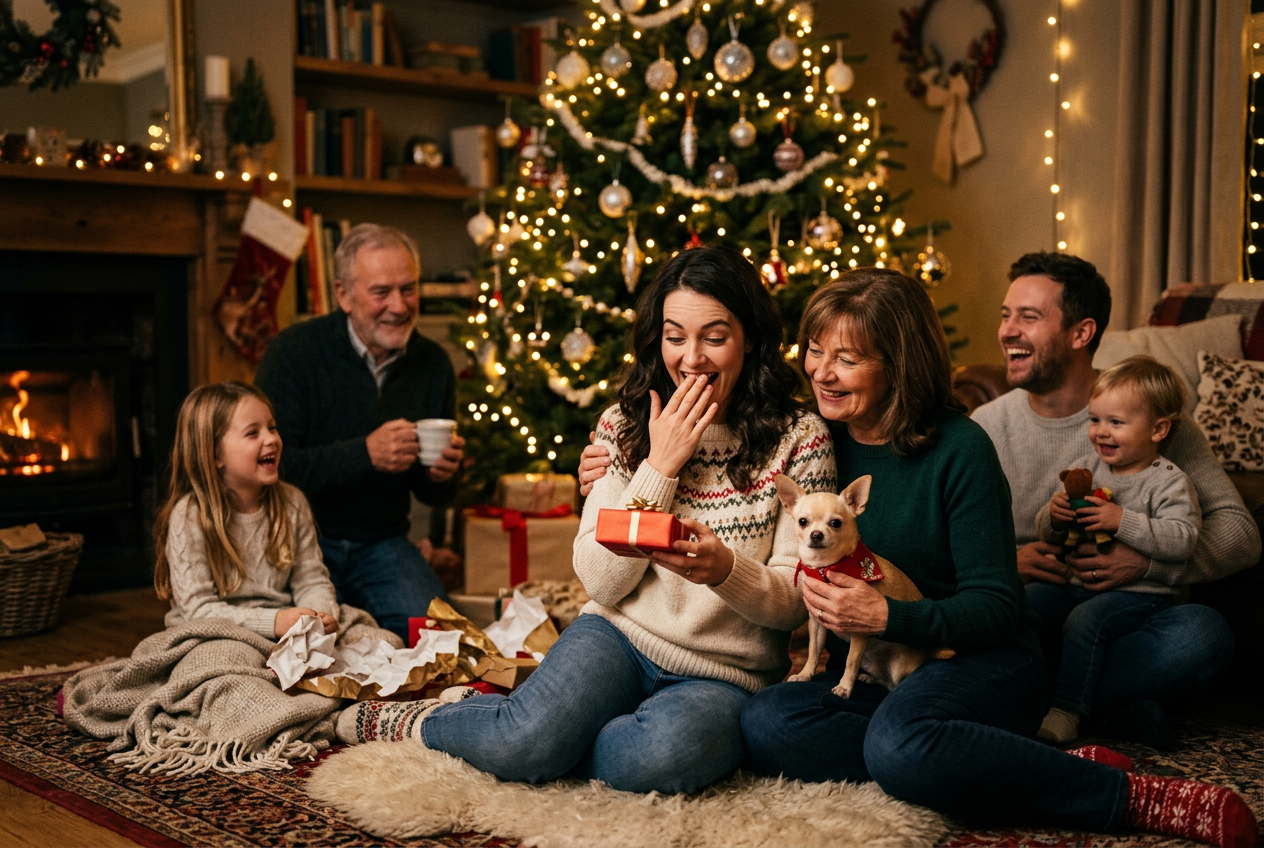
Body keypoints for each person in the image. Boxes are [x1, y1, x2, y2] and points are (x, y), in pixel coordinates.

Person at [734, 268, 1256, 847]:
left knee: (900, 745)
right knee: (769, 723)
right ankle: (1005, 754)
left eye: (848, 359)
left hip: (978, 653)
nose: (821, 373)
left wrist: (888, 617)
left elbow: (996, 607)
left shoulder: (960, 447)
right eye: (813, 350)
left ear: (899, 364)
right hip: (882, 664)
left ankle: (1128, 795)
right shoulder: (817, 442)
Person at [335, 246, 837, 794]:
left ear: (751, 340)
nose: (692, 358)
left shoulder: (799, 438)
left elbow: (795, 601)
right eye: (674, 337)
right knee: (523, 745)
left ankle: (555, 733)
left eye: (714, 338)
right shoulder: (622, 425)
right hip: (617, 636)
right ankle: (425, 721)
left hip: (724, 673)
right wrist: (659, 467)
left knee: (659, 759)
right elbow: (600, 581)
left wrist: (723, 570)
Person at [972, 252, 1259, 747]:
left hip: (1131, 620)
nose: (1007, 331)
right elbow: (948, 545)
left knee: (1203, 635)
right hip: (1039, 611)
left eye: (1029, 317)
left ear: (1081, 333)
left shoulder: (1153, 422)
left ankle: (1040, 704)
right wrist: (1006, 562)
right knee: (1004, 623)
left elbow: (1241, 532)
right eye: (1005, 315)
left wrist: (1146, 565)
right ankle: (1110, 711)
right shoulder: (985, 428)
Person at [255, 223, 465, 641]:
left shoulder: (433, 363)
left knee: (440, 640)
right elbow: (272, 468)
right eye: (381, 291)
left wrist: (444, 474)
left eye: (409, 289)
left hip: (382, 542)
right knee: (287, 645)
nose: (400, 306)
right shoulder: (294, 353)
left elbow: (432, 494)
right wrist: (365, 454)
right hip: (300, 542)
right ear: (343, 294)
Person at [1032, 356, 1200, 744]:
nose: (1100, 433)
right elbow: (1052, 532)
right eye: (1095, 420)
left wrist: (1120, 520)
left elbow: (1183, 538)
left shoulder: (1169, 482)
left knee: (1086, 621)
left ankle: (1066, 710)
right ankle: (1109, 712)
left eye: (1116, 423)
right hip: (1073, 584)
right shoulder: (1086, 467)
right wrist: (1054, 517)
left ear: (1159, 429)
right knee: (1029, 603)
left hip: (1140, 596)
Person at [154, 381, 340, 640]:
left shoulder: (292, 502)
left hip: (286, 623)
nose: (271, 439)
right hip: (214, 634)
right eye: (253, 433)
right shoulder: (190, 516)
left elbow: (312, 580)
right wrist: (273, 622)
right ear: (214, 454)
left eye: (272, 428)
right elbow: (197, 608)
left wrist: (319, 617)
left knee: (383, 641)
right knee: (235, 667)